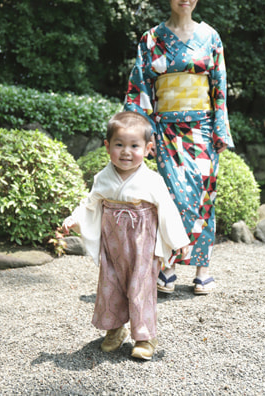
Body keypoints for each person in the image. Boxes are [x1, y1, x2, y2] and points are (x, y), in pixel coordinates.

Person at [124, 0, 234, 295]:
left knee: (203, 196)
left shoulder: (210, 37)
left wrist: (219, 130)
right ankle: (168, 267)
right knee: (169, 198)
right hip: (165, 131)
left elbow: (219, 88)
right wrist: (143, 134)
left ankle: (202, 270)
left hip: (201, 129)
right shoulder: (152, 38)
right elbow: (139, 87)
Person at [62, 111, 189, 360]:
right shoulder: (103, 178)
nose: (126, 152)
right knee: (110, 286)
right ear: (107, 146)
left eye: (134, 146)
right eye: (119, 145)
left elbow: (167, 209)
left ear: (148, 148)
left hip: (142, 245)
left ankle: (144, 337)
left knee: (140, 287)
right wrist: (75, 218)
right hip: (112, 244)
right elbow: (90, 204)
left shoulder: (152, 180)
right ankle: (115, 329)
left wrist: (179, 239)